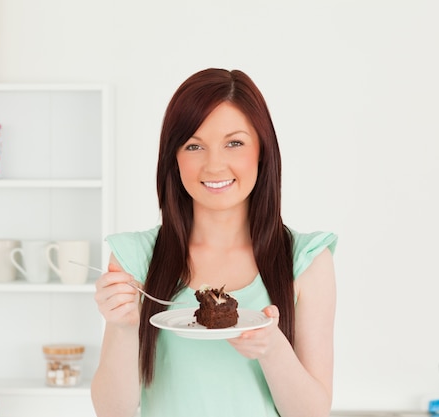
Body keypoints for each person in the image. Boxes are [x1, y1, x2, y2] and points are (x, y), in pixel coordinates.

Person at [91, 68, 337, 417]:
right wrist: (123, 327)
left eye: (234, 143)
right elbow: (111, 411)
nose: (215, 164)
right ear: (173, 159)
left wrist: (271, 348)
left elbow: (313, 413)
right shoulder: (136, 259)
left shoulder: (307, 260)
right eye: (194, 146)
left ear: (262, 151)